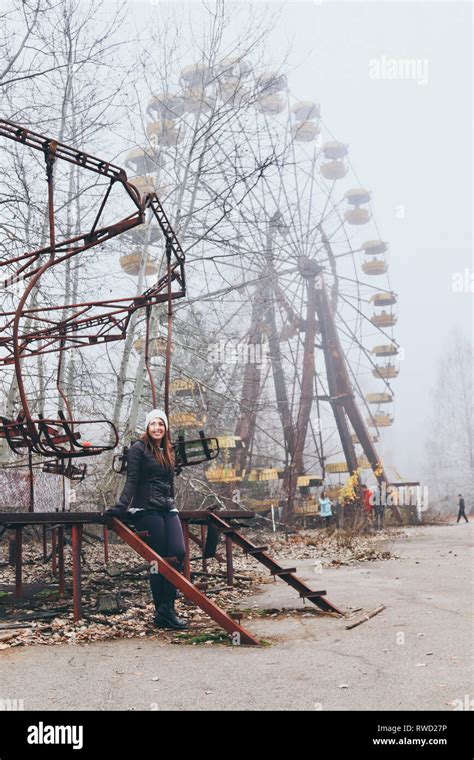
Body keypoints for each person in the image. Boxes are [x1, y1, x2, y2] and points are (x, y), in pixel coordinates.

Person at [105, 409, 187, 630]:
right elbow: (131, 481)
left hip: (167, 508)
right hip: (145, 509)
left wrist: (172, 503)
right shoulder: (138, 449)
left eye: (161, 424)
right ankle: (165, 612)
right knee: (158, 560)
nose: (157, 428)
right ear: (147, 427)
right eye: (153, 424)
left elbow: (169, 483)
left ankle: (164, 611)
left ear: (165, 428)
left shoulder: (168, 450)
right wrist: (121, 507)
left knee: (178, 553)